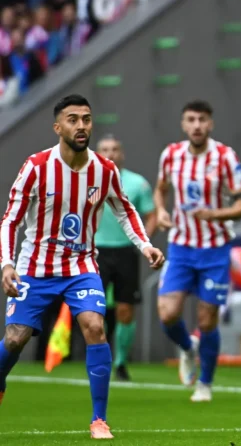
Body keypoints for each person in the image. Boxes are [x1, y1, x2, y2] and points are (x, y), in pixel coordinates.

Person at [0, 94, 165, 439]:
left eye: (86, 119)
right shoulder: (36, 167)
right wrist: (6, 264)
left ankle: (99, 420)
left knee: (95, 327)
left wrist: (145, 245)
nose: (81, 126)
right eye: (73, 119)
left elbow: (125, 210)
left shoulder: (104, 170)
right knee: (15, 340)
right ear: (57, 127)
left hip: (81, 267)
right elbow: (10, 220)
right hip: (35, 268)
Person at [154, 100, 241, 402]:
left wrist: (216, 214)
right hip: (181, 245)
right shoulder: (171, 155)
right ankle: (187, 347)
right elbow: (161, 188)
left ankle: (205, 384)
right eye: (191, 120)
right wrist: (159, 210)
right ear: (184, 124)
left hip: (215, 248)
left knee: (207, 320)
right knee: (168, 313)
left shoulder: (225, 157)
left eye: (202, 120)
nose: (197, 125)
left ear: (210, 124)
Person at [94, 135, 157, 381]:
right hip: (95, 252)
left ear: (122, 154)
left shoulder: (137, 183)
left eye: (115, 149)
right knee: (94, 311)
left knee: (125, 310)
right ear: (97, 153)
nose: (110, 153)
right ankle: (100, 360)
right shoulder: (86, 179)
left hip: (125, 252)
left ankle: (120, 362)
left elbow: (151, 214)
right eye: (105, 149)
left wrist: (144, 242)